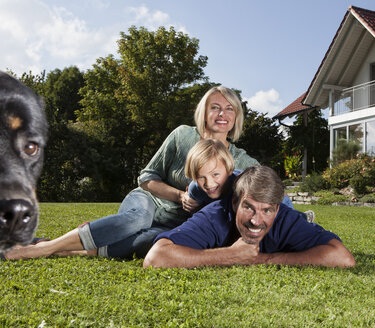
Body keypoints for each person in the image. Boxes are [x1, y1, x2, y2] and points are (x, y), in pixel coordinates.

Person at [4, 86, 259, 260]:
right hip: (148, 200)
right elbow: (147, 178)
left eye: (229, 109)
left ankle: (70, 251)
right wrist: (179, 195)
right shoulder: (182, 135)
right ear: (204, 112)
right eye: (215, 107)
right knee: (136, 220)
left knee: (147, 242)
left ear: (236, 117)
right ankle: (47, 247)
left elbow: (266, 186)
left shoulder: (241, 159)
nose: (222, 114)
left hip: (176, 221)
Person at [143, 166, 356, 269]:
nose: (256, 221)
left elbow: (343, 258)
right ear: (235, 203)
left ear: (277, 209)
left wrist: (261, 259)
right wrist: (231, 256)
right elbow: (155, 258)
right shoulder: (215, 215)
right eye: (249, 207)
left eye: (267, 210)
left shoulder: (285, 218)